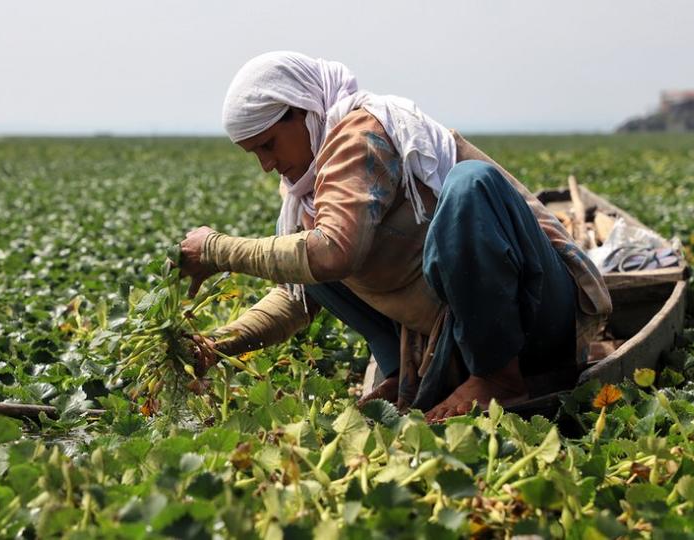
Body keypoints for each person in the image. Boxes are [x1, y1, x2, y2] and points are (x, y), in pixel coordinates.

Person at [179, 51, 611, 422]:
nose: (268, 166)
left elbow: (334, 254)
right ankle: (398, 373)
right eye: (256, 153)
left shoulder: (361, 135)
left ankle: (499, 374)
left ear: (303, 109)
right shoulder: (306, 195)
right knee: (301, 247)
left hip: (538, 314)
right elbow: (298, 294)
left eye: (270, 145)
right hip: (452, 331)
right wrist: (216, 346)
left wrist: (217, 250)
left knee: (469, 186)